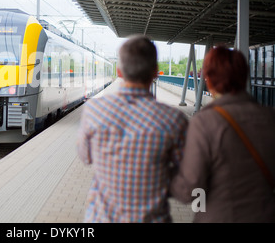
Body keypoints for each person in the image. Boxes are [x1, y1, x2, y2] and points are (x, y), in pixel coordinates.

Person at [77, 35, 188, 223]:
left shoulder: (94, 109)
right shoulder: (174, 120)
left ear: (119, 71)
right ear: (155, 73)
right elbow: (186, 175)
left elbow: (85, 157)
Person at [170, 46, 275, 222]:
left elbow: (190, 190)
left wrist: (166, 171)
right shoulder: (270, 117)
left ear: (208, 80)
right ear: (243, 78)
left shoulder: (205, 122)